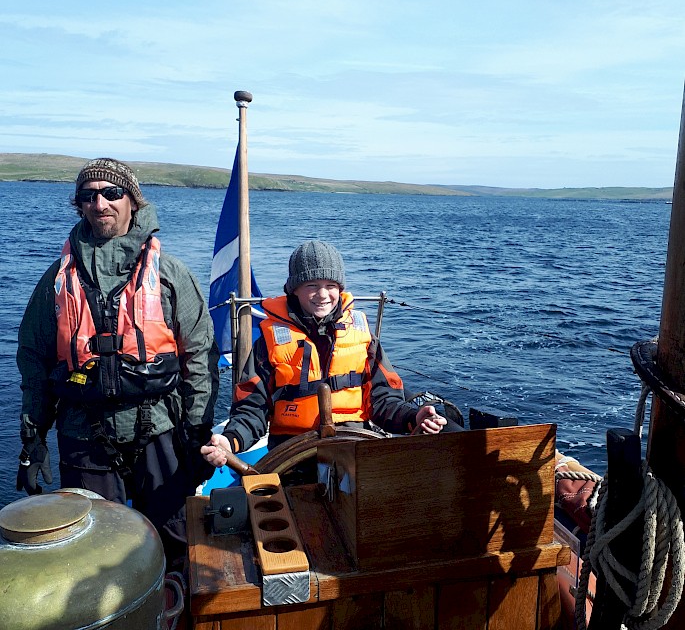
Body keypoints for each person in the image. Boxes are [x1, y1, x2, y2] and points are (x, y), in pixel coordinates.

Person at [16, 157, 219, 568]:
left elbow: (200, 357)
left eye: (112, 193)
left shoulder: (170, 275)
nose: (100, 204)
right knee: (94, 553)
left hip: (159, 431)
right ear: (80, 206)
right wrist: (33, 440)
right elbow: (34, 361)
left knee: (175, 541)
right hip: (84, 435)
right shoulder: (58, 278)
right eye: (89, 197)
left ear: (133, 202)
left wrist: (197, 433)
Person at [201, 240, 447, 470]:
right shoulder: (269, 342)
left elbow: (384, 401)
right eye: (312, 286)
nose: (323, 295)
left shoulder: (363, 337)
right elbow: (251, 408)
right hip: (291, 454)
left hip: (352, 451)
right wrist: (230, 441)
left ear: (340, 289)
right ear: (294, 289)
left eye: (330, 286)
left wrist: (414, 417)